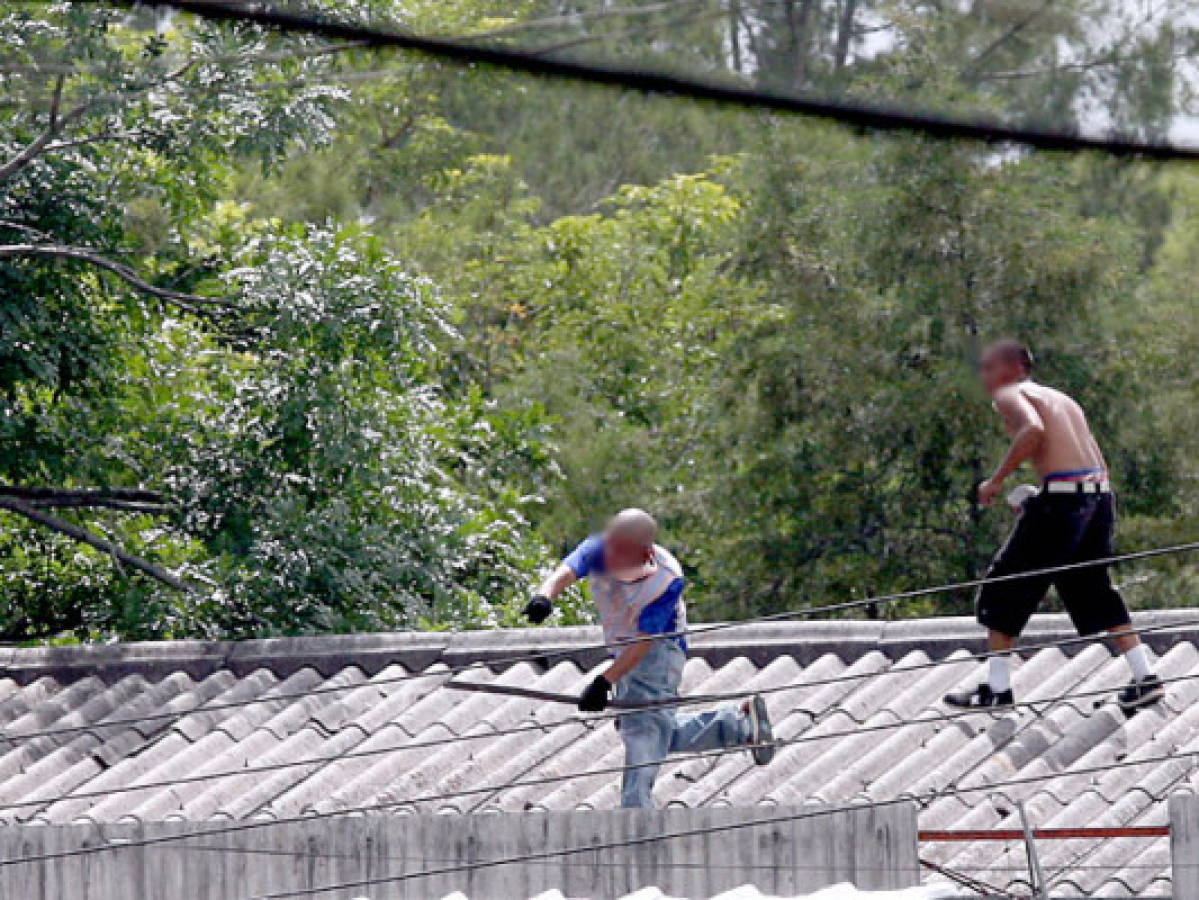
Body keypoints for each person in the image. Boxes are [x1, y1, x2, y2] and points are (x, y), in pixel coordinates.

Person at [945, 340, 1164, 714]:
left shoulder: (1010, 393)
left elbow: (1032, 431)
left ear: (1012, 368)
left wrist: (996, 481)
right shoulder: (1062, 399)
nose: (983, 377)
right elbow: (1085, 455)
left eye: (988, 368)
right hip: (1098, 498)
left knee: (1004, 585)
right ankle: (1144, 676)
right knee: (1093, 587)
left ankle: (997, 688)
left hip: (1065, 501)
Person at [525, 508, 775, 808]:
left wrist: (605, 681)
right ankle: (737, 725)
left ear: (644, 553)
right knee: (656, 730)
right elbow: (566, 570)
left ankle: (636, 812)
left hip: (659, 652)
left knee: (642, 731)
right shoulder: (600, 547)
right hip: (623, 647)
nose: (611, 560)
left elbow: (644, 642)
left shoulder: (667, 580)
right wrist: (545, 597)